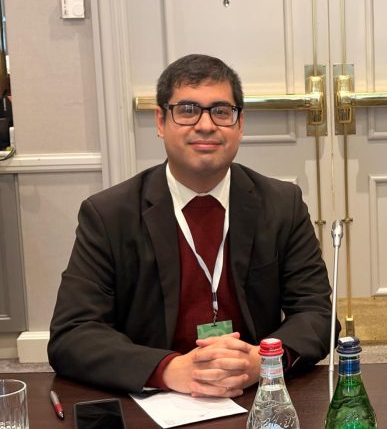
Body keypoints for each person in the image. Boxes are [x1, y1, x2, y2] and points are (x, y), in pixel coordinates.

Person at [49, 54, 336, 397]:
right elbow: (73, 333)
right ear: (160, 121)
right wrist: (167, 369)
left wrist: (264, 361)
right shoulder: (109, 215)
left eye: (221, 111)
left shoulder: (281, 204)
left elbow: (318, 313)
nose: (205, 125)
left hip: (254, 393)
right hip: (157, 399)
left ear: (239, 124)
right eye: (187, 110)